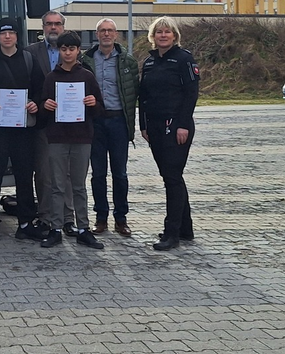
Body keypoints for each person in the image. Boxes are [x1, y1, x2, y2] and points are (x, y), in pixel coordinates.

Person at [0, 18, 46, 245]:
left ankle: (25, 224)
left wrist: (35, 103)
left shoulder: (29, 59)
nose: (7, 37)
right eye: (3, 33)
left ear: (17, 36)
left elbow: (40, 89)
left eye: (11, 33)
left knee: (24, 176)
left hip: (23, 129)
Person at [39, 30, 105, 250]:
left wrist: (93, 103)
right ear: (59, 51)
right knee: (57, 186)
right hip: (57, 138)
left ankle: (83, 229)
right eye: (64, 49)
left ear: (79, 51)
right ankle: (56, 228)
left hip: (81, 137)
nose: (67, 53)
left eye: (72, 49)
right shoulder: (51, 78)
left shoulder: (87, 76)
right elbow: (41, 110)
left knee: (78, 186)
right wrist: (45, 106)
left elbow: (100, 109)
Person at [139, 16, 199, 251]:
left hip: (176, 127)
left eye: (167, 32)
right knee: (171, 177)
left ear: (174, 35)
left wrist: (183, 125)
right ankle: (185, 228)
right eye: (159, 32)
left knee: (172, 177)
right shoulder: (149, 62)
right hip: (154, 128)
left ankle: (171, 233)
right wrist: (143, 125)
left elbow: (191, 93)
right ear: (153, 36)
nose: (163, 35)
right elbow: (143, 96)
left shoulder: (184, 59)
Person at [80, 18, 139, 237]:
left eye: (110, 30)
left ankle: (121, 218)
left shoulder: (127, 61)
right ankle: (101, 217)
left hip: (118, 121)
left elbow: (134, 91)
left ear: (116, 34)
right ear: (97, 34)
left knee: (120, 173)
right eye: (102, 30)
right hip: (95, 121)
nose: (106, 34)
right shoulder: (86, 60)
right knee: (98, 173)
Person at [26, 11, 76, 236]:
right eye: (49, 24)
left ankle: (68, 218)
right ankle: (46, 217)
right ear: (42, 27)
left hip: (69, 124)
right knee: (44, 173)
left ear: (63, 26)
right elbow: (26, 85)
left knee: (67, 174)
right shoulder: (30, 52)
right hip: (43, 122)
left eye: (57, 24)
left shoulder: (74, 52)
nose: (53, 28)